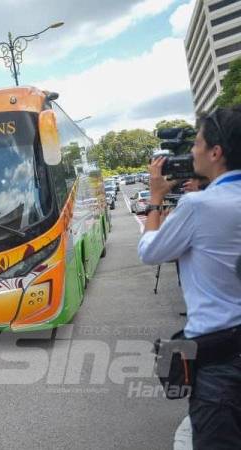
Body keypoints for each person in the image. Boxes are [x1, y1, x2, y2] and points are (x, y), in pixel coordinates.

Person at [137, 106, 241, 449]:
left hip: (220, 368)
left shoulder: (198, 208)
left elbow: (150, 251)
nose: (190, 152)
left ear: (216, 152)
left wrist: (154, 199)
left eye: (196, 144)